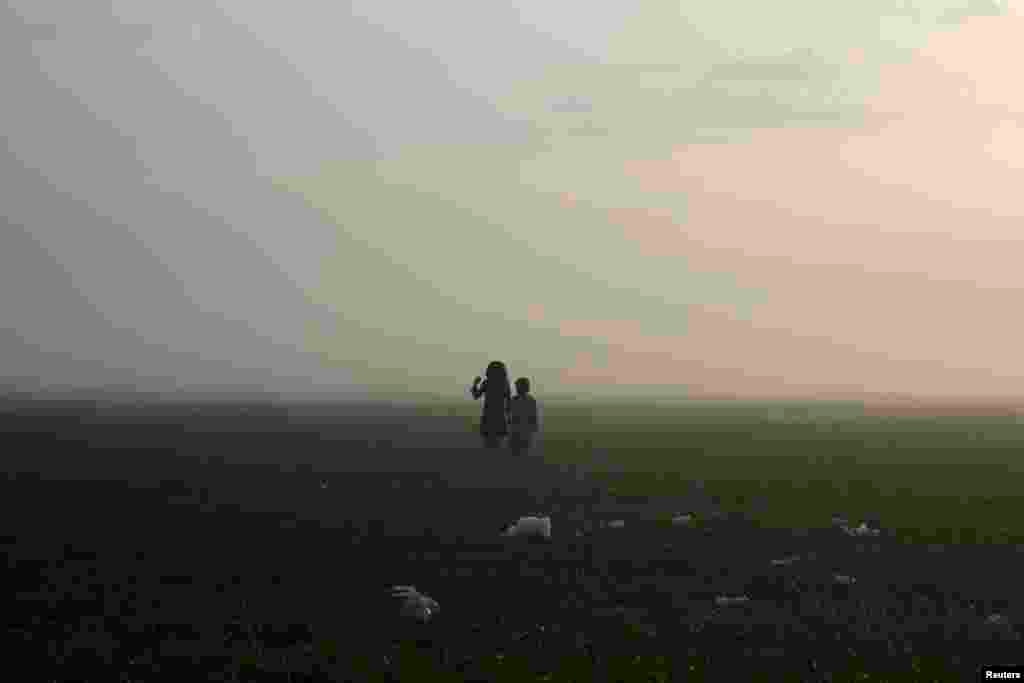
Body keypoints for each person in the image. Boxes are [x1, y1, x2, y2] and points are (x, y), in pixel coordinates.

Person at [470, 361, 511, 448]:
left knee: (488, 442)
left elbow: (476, 395)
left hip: (488, 414)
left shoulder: (487, 382)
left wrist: (475, 384)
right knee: (498, 442)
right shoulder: (505, 383)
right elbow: (508, 401)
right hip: (500, 415)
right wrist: (509, 416)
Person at [508, 377, 539, 453]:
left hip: (521, 430)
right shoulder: (530, 399)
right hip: (518, 431)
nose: (516, 388)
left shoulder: (515, 399)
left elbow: (533, 416)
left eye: (518, 386)